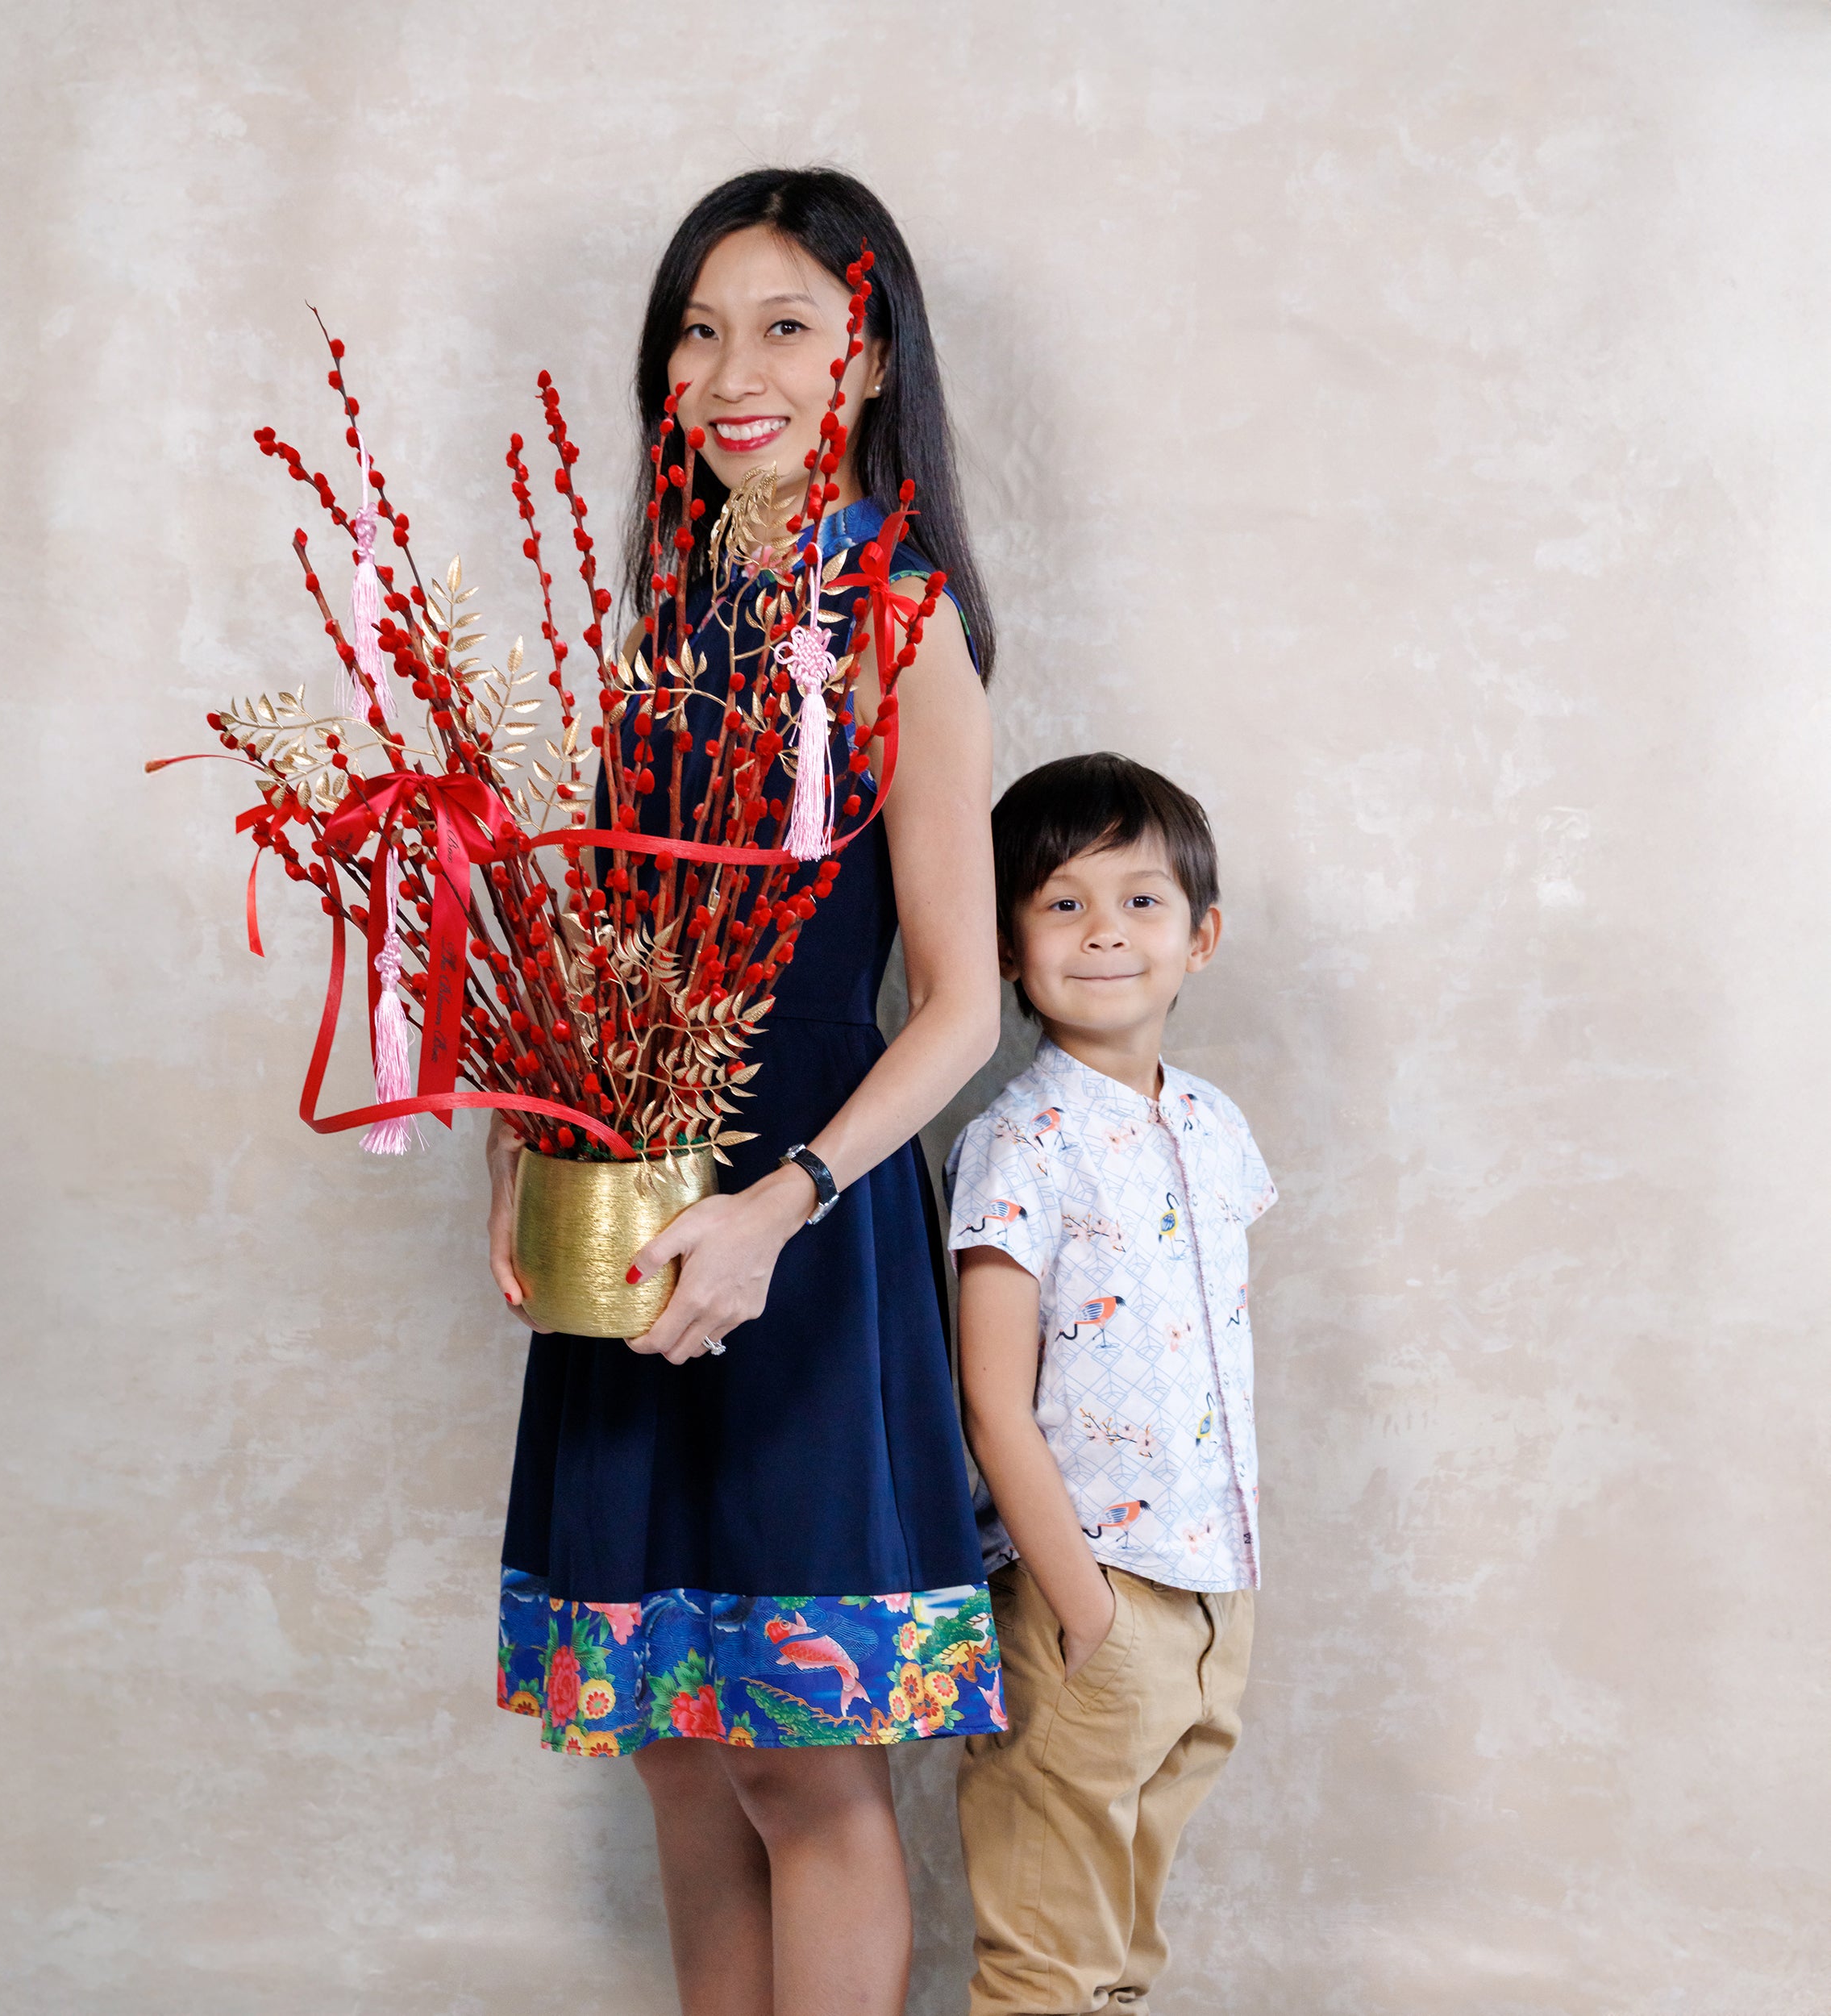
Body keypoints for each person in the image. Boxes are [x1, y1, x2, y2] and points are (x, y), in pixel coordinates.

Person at [486, 168, 1005, 2016]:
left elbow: (954, 1001)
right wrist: (522, 1146)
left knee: (795, 1742)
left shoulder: (895, 614)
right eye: (697, 330)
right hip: (625, 1215)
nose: (730, 370)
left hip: (799, 1232)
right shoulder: (655, 611)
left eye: (783, 324)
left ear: (866, 362)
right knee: (673, 1735)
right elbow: (587, 936)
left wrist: (783, 1201)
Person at [947, 752, 1276, 2016]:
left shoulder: (1214, 1126)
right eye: (1062, 903)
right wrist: (1082, 1610)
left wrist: (1221, 1603)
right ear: (1006, 946)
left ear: (1201, 938)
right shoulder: (1020, 1141)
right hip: (1086, 1592)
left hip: (1212, 1585)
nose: (1104, 933)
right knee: (1051, 1954)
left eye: (1141, 902)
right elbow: (991, 1399)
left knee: (1129, 1951)